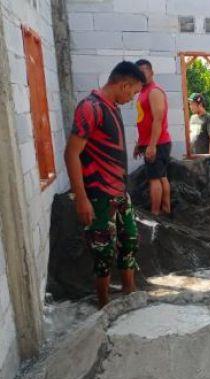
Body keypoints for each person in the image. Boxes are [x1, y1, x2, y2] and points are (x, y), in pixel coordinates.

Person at [64, 61, 145, 308]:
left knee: (129, 240)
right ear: (124, 85)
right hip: (99, 195)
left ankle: (129, 291)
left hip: (120, 193)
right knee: (103, 252)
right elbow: (71, 153)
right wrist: (81, 198)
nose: (131, 99)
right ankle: (104, 304)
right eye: (133, 92)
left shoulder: (112, 107)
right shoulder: (90, 108)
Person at [134, 59, 172, 216]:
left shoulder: (154, 92)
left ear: (151, 72)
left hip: (158, 143)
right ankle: (166, 209)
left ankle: (155, 213)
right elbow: (144, 120)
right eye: (138, 73)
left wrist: (152, 145)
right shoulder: (143, 91)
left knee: (154, 179)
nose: (141, 75)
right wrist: (140, 144)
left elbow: (158, 119)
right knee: (161, 176)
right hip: (153, 142)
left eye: (144, 71)